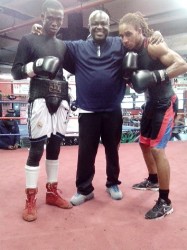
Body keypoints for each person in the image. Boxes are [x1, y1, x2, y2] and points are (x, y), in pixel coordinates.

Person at [32, 10, 163, 206]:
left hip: (113, 109)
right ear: (90, 26)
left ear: (108, 25)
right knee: (86, 152)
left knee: (113, 150)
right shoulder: (77, 47)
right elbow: (55, 45)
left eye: (103, 23)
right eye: (95, 24)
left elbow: (138, 41)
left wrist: (155, 35)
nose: (99, 27)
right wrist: (42, 33)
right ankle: (84, 189)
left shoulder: (119, 44)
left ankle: (113, 183)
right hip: (88, 110)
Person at [119, 12, 187, 219]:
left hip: (165, 103)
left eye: (128, 34)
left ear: (139, 31)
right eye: (122, 35)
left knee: (157, 149)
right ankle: (153, 179)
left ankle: (165, 202)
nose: (124, 40)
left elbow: (182, 64)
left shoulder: (153, 46)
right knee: (144, 143)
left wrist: (157, 75)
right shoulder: (130, 52)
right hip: (150, 103)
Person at [11, 0, 73, 222]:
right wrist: (35, 67)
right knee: (37, 149)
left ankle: (51, 192)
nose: (55, 22)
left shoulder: (63, 46)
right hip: (39, 98)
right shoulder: (28, 40)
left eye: (59, 18)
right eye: (51, 17)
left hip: (61, 98)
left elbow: (77, 66)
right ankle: (30, 198)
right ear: (42, 16)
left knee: (56, 146)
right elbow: (16, 72)